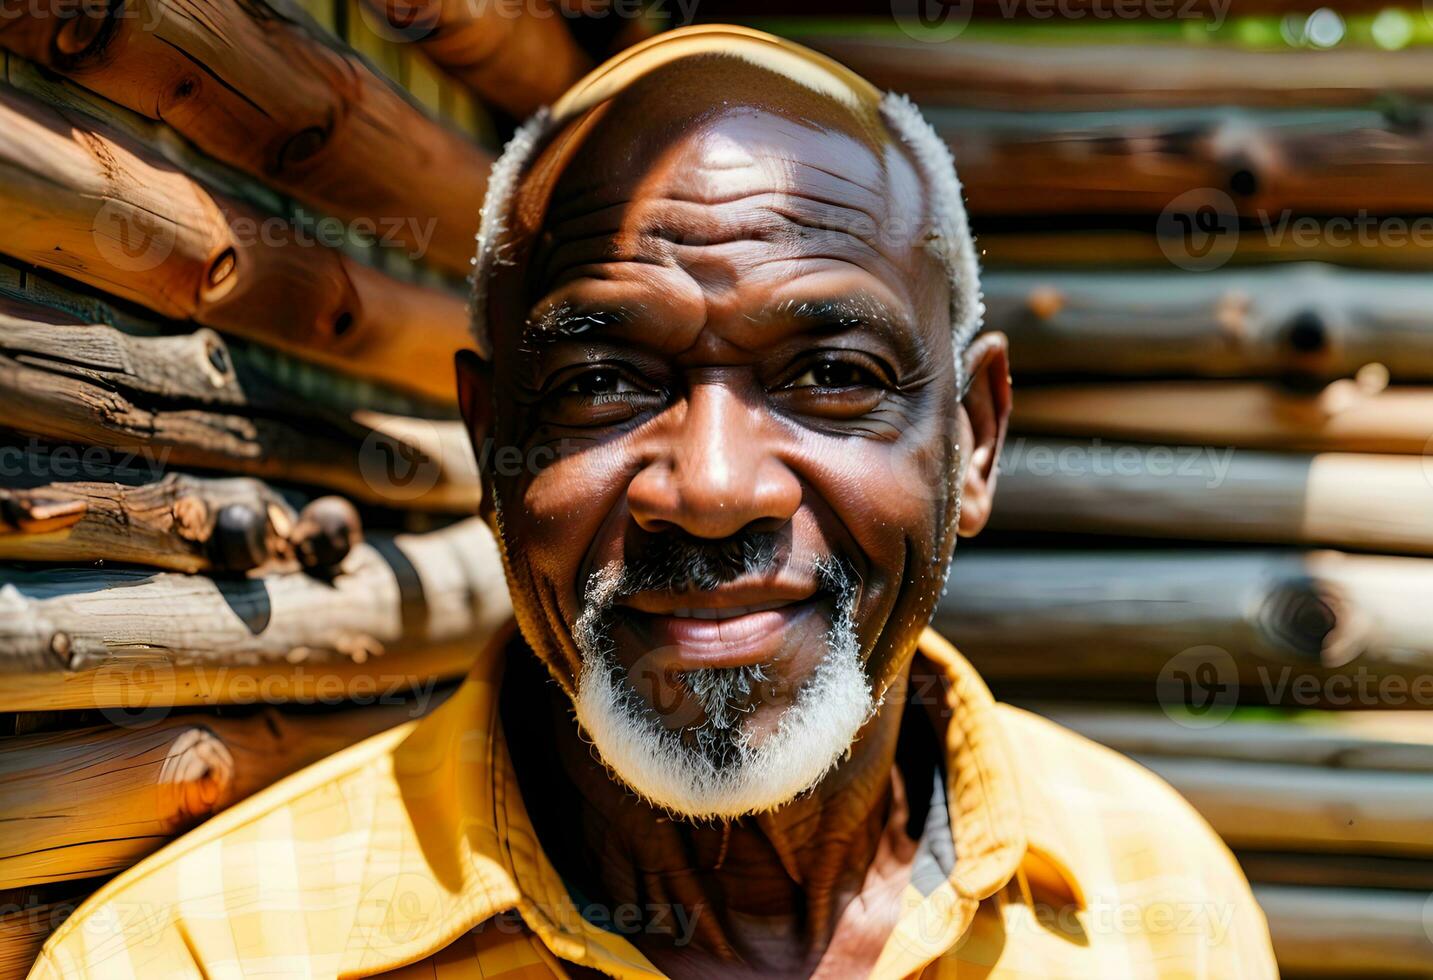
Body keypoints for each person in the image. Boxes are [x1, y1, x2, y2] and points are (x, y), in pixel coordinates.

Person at [33, 25, 1277, 979]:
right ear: (492, 445)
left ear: (975, 442)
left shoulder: (1157, 904)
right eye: (601, 382)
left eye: (833, 376)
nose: (712, 486)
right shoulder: (199, 955)